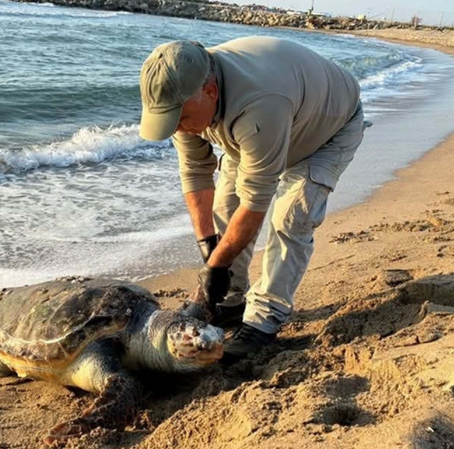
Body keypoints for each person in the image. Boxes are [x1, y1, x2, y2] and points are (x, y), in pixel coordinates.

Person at [138, 36, 366, 364]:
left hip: (327, 129)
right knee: (224, 211)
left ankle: (264, 321)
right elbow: (195, 173)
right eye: (169, 119)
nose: (178, 128)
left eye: (181, 119)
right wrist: (209, 250)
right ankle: (231, 303)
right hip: (261, 131)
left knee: (290, 219)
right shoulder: (183, 95)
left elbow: (256, 202)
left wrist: (217, 266)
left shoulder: (260, 103)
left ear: (210, 93)